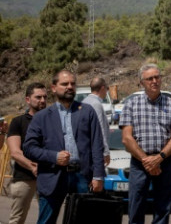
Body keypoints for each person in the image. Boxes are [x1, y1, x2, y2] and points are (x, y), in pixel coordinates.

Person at [23, 70, 105, 224]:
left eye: (72, 84)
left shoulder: (87, 111)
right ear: (53, 88)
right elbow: (29, 148)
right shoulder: (41, 117)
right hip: (52, 176)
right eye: (64, 84)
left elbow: (97, 145)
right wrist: (54, 157)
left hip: (82, 177)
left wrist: (98, 176)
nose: (69, 87)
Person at [120, 63, 171, 224]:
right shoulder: (131, 104)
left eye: (157, 77)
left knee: (163, 208)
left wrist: (159, 158)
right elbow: (127, 138)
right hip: (139, 163)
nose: (154, 81)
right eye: (150, 78)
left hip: (165, 162)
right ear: (142, 82)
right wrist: (147, 160)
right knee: (136, 206)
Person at [6, 82, 47, 224]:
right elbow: (15, 152)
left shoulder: (53, 122)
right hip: (24, 178)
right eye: (38, 97)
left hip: (48, 178)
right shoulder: (18, 122)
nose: (42, 100)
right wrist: (33, 167)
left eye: (45, 97)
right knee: (17, 219)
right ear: (28, 100)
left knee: (47, 218)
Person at [81, 77, 111, 166]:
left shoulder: (84, 101)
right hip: (95, 153)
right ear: (102, 88)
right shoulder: (96, 104)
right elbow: (99, 129)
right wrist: (105, 152)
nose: (107, 91)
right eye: (107, 88)